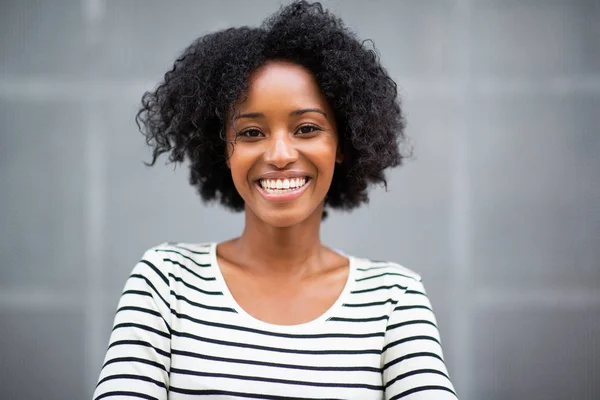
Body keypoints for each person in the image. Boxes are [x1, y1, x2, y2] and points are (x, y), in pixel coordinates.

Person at [93, 1, 457, 399]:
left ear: (342, 143)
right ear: (224, 149)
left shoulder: (394, 299)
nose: (280, 155)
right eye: (251, 133)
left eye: (305, 128)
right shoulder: (166, 283)